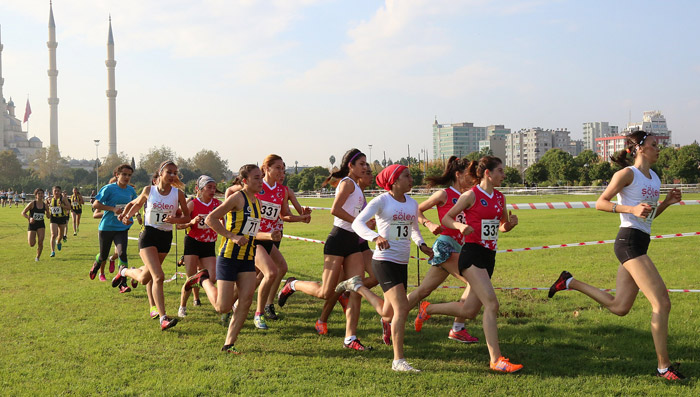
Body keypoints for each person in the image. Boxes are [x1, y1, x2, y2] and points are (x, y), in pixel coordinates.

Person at [548, 131, 685, 380]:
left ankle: (570, 282)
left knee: (620, 307)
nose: (659, 149)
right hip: (628, 242)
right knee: (662, 302)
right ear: (640, 148)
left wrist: (665, 203)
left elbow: (648, 217)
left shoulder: (654, 177)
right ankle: (664, 367)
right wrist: (630, 208)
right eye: (654, 145)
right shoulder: (626, 174)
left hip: (641, 242)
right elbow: (600, 202)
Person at [419, 156, 522, 373]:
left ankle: (428, 309)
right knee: (492, 304)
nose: (504, 175)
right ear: (488, 173)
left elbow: (501, 226)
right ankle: (496, 360)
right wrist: (459, 226)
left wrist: (510, 225)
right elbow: (447, 218)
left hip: (489, 256)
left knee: (469, 310)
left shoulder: (501, 198)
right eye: (500, 171)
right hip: (471, 255)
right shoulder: (470, 195)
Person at [336, 164, 433, 372]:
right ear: (394, 181)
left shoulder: (412, 203)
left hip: (402, 262)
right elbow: (357, 224)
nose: (411, 179)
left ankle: (357, 286)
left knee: (388, 313)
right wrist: (375, 237)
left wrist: (422, 245)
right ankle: (398, 361)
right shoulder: (382, 201)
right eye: (407, 176)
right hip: (384, 261)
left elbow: (413, 229)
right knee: (402, 308)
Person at [277, 148, 371, 350]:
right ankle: (293, 285)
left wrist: (364, 225)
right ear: (351, 166)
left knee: (355, 288)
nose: (365, 167)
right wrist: (359, 223)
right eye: (361, 164)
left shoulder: (357, 187)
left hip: (353, 243)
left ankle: (350, 338)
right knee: (325, 292)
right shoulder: (347, 183)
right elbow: (335, 210)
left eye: (366, 164)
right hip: (337, 241)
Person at [186, 164, 281, 353]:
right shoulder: (237, 198)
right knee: (223, 307)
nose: (260, 181)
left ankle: (229, 344)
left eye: (261, 177)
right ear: (245, 181)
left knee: (245, 301)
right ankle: (202, 279)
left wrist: (269, 236)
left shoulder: (257, 203)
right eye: (256, 178)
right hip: (229, 256)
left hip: (247, 258)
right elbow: (211, 219)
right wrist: (232, 236)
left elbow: (251, 233)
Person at [114, 160, 191, 330]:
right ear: (160, 173)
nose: (172, 176)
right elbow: (137, 204)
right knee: (159, 277)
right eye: (169, 172)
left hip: (165, 238)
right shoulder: (149, 190)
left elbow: (187, 217)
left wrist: (175, 220)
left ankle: (124, 271)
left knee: (144, 278)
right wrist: (128, 216)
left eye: (174, 173)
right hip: (148, 236)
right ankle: (163, 318)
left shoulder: (178, 194)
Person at [411, 156, 478, 343]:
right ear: (458, 174)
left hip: (460, 248)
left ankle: (389, 316)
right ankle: (456, 328)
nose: (472, 178)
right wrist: (428, 223)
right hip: (446, 246)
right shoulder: (444, 194)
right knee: (475, 283)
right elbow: (416, 209)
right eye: (468, 174)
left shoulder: (469, 196)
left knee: (423, 290)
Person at [315, 168, 377, 336]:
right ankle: (322, 319)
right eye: (367, 172)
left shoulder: (362, 196)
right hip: (347, 243)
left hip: (359, 244)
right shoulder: (351, 189)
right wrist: (363, 225)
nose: (370, 175)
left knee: (373, 277)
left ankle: (350, 334)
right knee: (331, 290)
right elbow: (343, 217)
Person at [176, 175, 221, 318]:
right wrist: (191, 222)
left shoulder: (218, 204)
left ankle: (198, 296)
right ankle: (182, 306)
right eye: (209, 187)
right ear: (199, 189)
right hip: (193, 242)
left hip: (209, 244)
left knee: (212, 277)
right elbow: (179, 225)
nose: (212, 190)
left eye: (214, 187)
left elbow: (225, 219)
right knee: (190, 278)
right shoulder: (193, 204)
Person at [89, 165, 138, 288]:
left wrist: (133, 215)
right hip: (107, 227)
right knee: (103, 255)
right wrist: (112, 209)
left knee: (122, 253)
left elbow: (135, 205)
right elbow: (95, 204)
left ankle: (123, 283)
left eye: (129, 175)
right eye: (124, 174)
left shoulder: (131, 191)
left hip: (121, 228)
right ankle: (97, 263)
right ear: (117, 175)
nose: (127, 177)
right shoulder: (109, 189)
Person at [21, 188, 47, 261]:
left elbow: (48, 216)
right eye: (39, 193)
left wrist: (48, 213)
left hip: (41, 224)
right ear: (36, 195)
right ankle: (33, 238)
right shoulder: (32, 204)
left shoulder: (45, 205)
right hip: (32, 224)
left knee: (41, 241)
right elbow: (23, 213)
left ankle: (37, 257)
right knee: (31, 244)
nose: (40, 195)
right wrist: (29, 218)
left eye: (42, 193)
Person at [46, 186, 71, 257]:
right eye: (55, 191)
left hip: (62, 218)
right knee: (53, 234)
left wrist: (62, 206)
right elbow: (47, 208)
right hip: (53, 218)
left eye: (58, 191)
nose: (56, 192)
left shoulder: (63, 199)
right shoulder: (49, 199)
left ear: (60, 192)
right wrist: (47, 212)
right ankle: (52, 251)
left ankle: (58, 242)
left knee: (61, 235)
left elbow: (69, 207)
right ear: (52, 192)